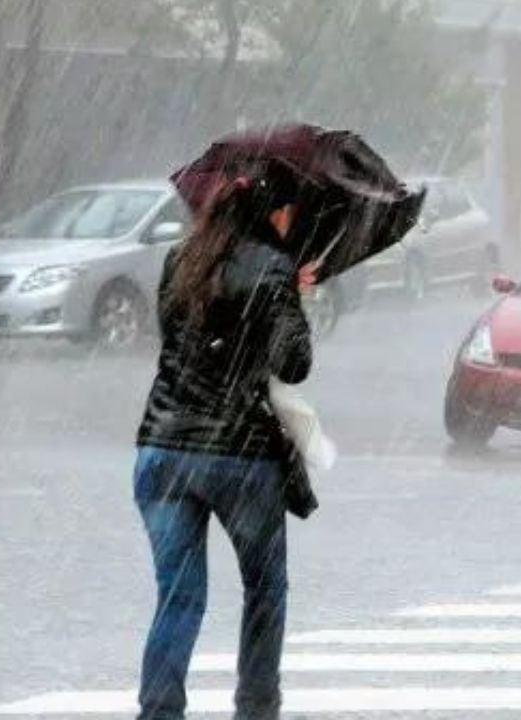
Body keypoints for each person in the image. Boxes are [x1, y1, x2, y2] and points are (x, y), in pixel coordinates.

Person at [133, 160, 314, 720]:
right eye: (288, 211)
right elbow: (295, 362)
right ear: (273, 213)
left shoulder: (180, 259)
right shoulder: (273, 268)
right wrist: (292, 299)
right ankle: (256, 707)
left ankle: (159, 711)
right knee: (264, 590)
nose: (291, 221)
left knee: (179, 595)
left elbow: (176, 339)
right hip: (240, 456)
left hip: (163, 449)